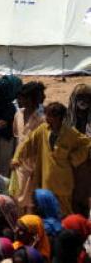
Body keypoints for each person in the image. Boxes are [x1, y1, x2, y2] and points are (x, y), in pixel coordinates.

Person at [13, 102, 91, 215]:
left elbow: (87, 143)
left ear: (58, 117)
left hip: (63, 183)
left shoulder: (70, 133)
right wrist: (17, 157)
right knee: (47, 211)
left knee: (64, 213)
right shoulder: (43, 130)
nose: (46, 118)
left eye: (49, 115)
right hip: (46, 181)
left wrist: (75, 158)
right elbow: (28, 142)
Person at [10, 82, 45, 214]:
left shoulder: (42, 120)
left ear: (32, 99)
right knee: (16, 197)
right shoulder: (18, 115)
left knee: (30, 200)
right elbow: (17, 138)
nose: (21, 101)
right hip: (18, 164)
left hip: (34, 166)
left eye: (24, 98)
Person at [66, 83, 91, 214]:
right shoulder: (67, 118)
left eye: (87, 97)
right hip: (72, 167)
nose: (83, 101)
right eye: (80, 97)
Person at [0, 76, 20, 177]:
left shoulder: (9, 108)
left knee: (3, 169)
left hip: (5, 141)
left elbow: (2, 126)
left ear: (0, 92)